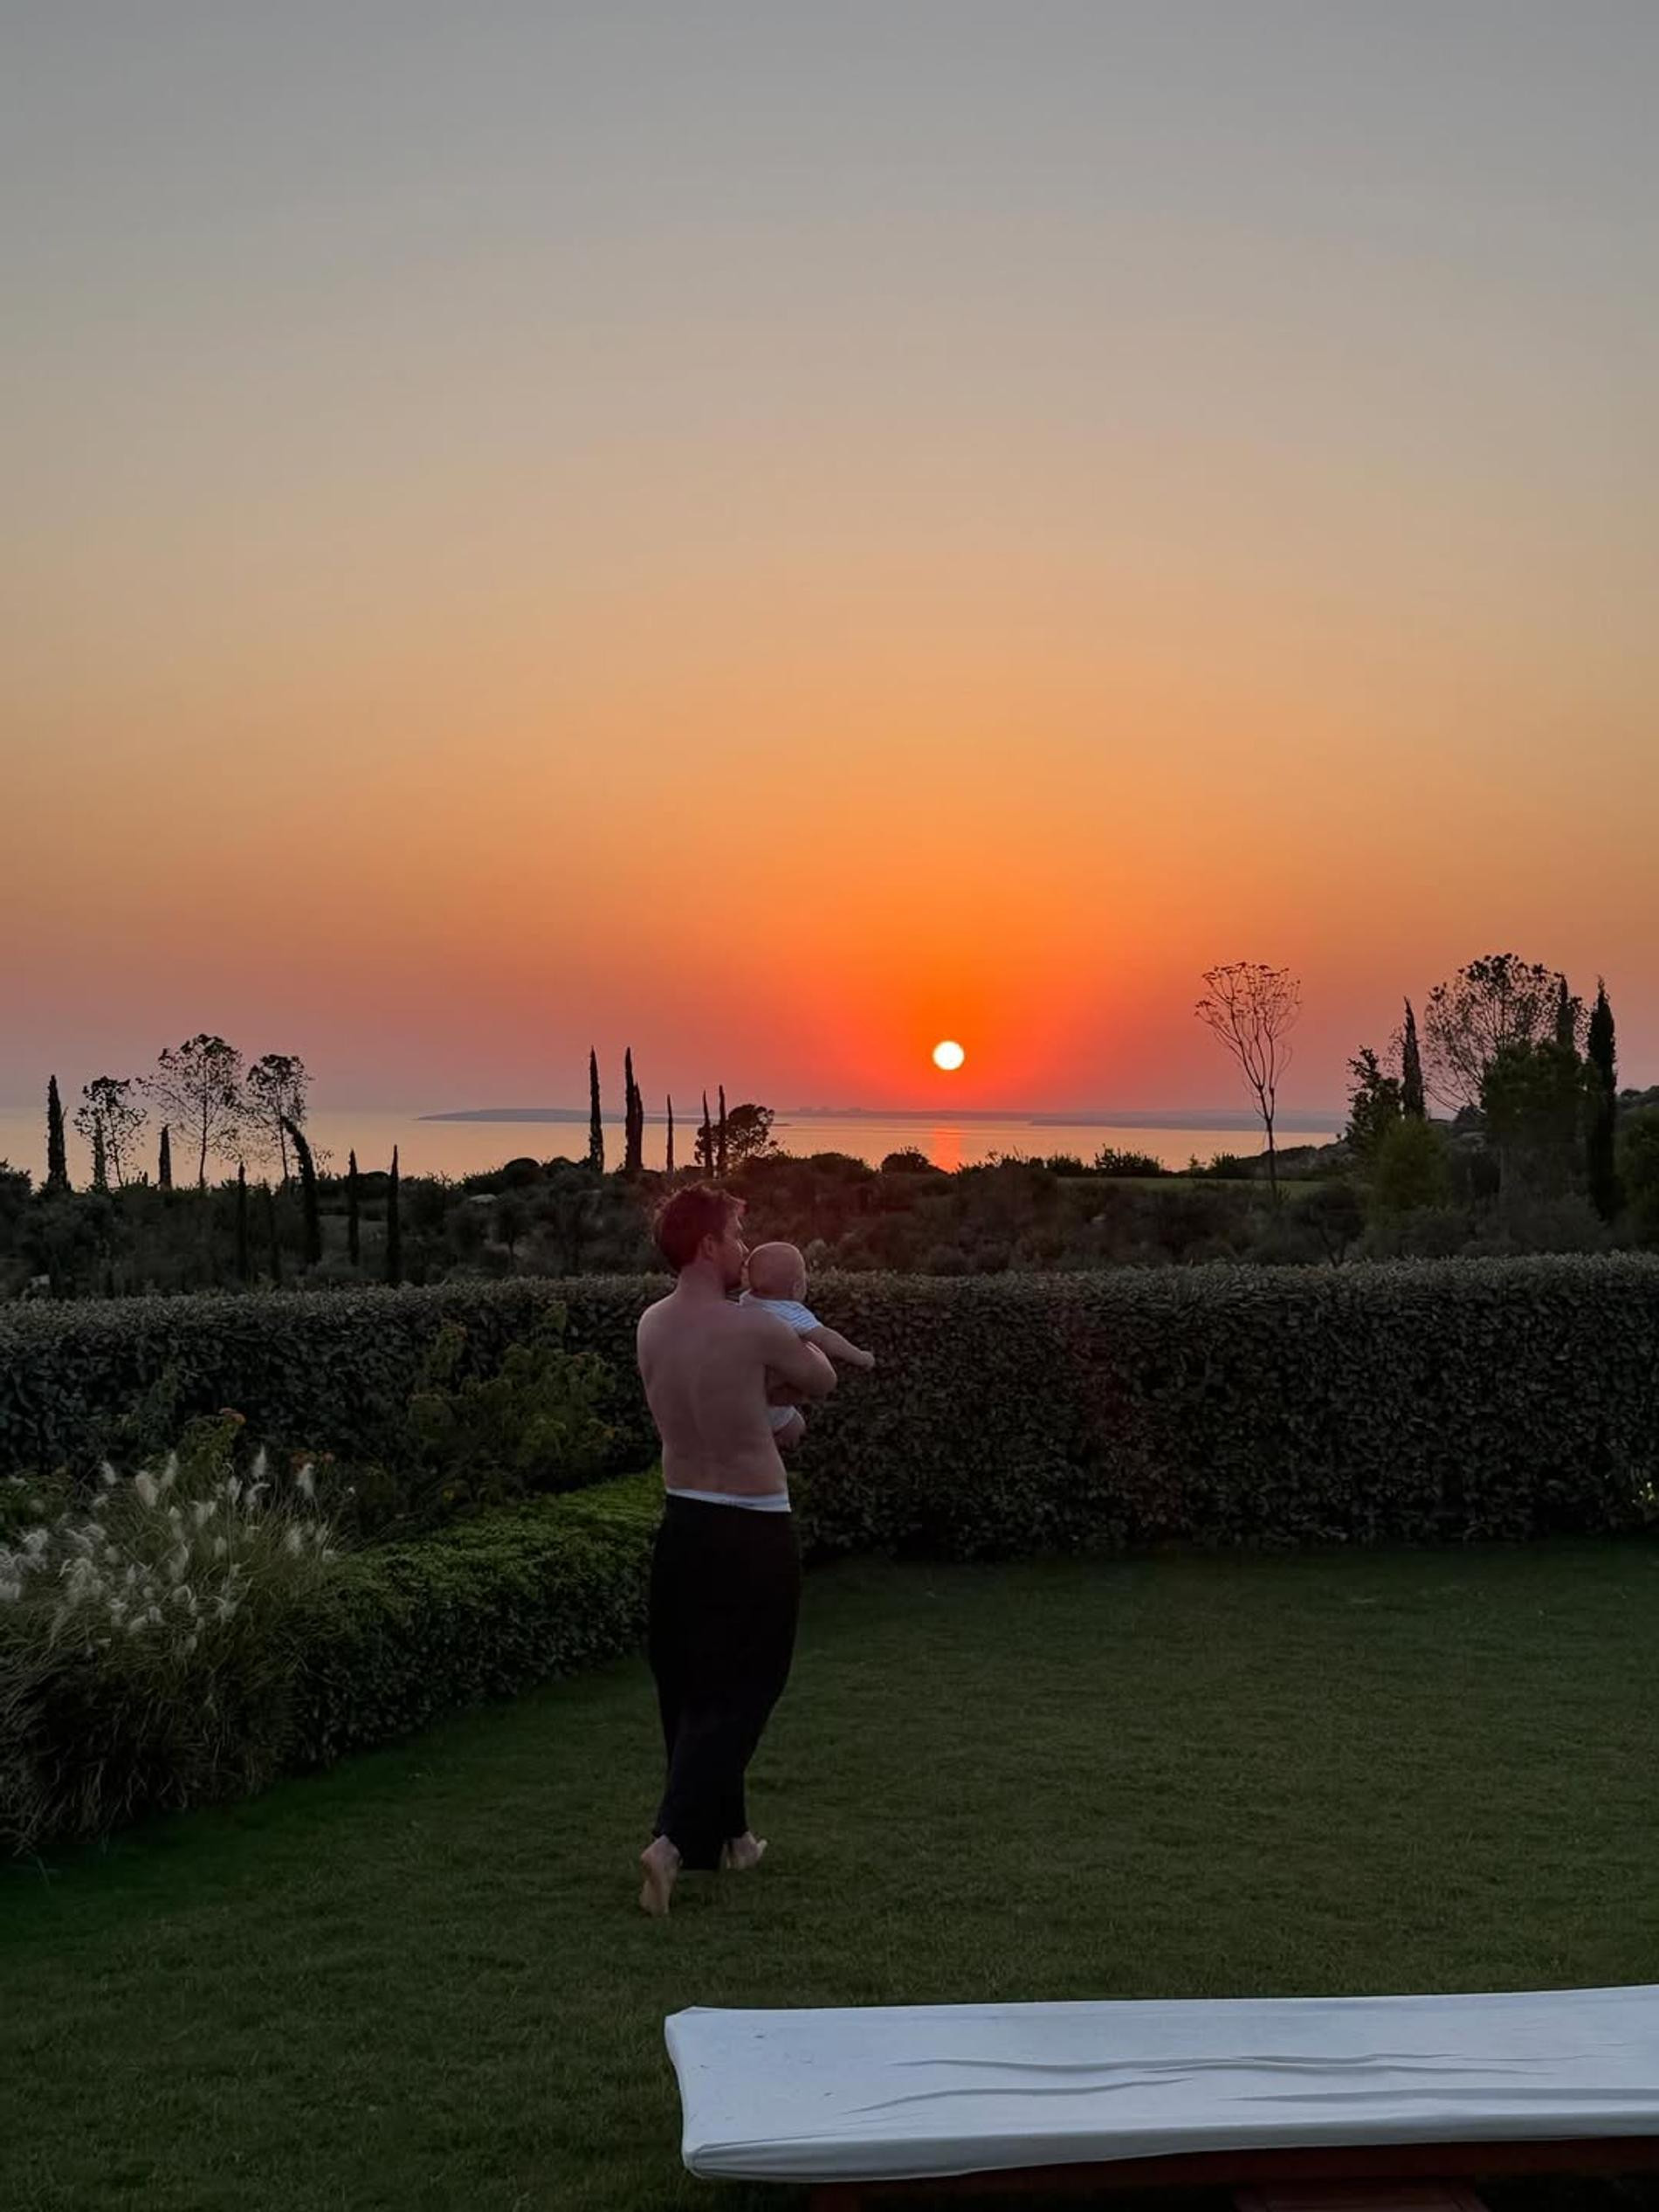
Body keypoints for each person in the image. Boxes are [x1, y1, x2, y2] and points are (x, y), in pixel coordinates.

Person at [635, 1183, 838, 1917]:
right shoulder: (752, 1328)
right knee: (750, 1685)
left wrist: (756, 1394)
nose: (745, 1251)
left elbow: (707, 1394)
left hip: (683, 1521)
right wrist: (783, 1357)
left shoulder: (651, 1325)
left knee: (691, 1686)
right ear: (706, 1246)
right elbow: (823, 1378)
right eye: (737, 1236)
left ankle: (732, 1839)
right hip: (753, 1525)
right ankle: (671, 1841)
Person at [740, 1240, 876, 1450]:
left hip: (744, 1388)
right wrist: (860, 1356)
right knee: (796, 1427)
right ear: (796, 1288)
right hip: (766, 1400)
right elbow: (826, 1338)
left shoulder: (747, 1300)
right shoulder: (790, 1311)